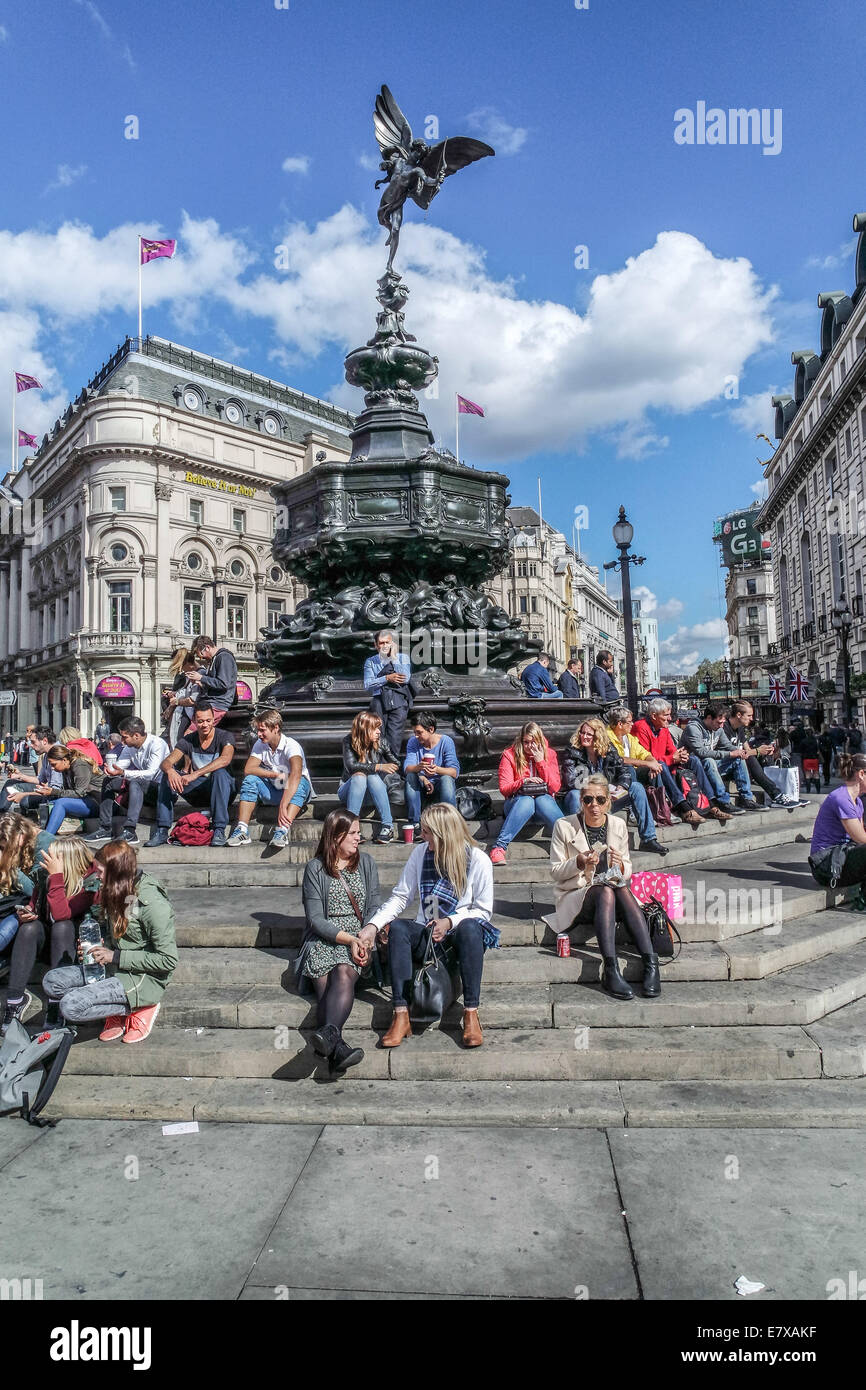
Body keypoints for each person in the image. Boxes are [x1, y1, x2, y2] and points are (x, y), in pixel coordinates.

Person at [369, 802, 496, 1049]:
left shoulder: (479, 859)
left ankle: (470, 1014)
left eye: (427, 832)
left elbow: (484, 910)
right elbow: (400, 896)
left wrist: (449, 922)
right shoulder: (420, 853)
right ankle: (401, 1014)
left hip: (458, 938)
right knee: (398, 928)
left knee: (471, 926)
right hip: (426, 932)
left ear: (443, 833)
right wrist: (374, 926)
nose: (422, 836)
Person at [40, 840, 177, 1042]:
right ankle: (115, 1005)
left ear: (116, 872)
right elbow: (125, 934)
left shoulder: (152, 902)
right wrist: (97, 946)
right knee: (52, 981)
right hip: (114, 966)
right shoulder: (117, 889)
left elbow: (168, 960)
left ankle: (140, 1006)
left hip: (142, 976)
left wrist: (115, 956)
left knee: (70, 1006)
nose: (97, 876)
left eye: (101, 872)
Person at [544, 773, 660, 1001]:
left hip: (614, 893)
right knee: (606, 890)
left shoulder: (617, 824)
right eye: (588, 800)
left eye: (599, 800)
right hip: (577, 895)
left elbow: (627, 869)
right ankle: (611, 968)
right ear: (581, 801)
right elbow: (555, 872)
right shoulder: (564, 826)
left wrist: (619, 865)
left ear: (609, 801)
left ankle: (651, 964)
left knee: (620, 887)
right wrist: (579, 862)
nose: (593, 806)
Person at [297, 809, 381, 1075]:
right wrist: (348, 938)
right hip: (324, 938)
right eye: (354, 833)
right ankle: (337, 1047)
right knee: (326, 978)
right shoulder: (315, 869)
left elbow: (374, 907)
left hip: (359, 939)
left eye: (359, 832)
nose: (359, 837)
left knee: (343, 972)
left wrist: (364, 938)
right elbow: (315, 919)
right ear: (336, 836)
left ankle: (330, 1040)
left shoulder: (366, 863)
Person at [1, 836, 93, 1033]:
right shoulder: (44, 876)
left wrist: (57, 878)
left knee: (64, 926)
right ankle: (15, 1001)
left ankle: (57, 1001)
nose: (45, 860)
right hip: (46, 947)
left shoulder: (88, 884)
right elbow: (34, 905)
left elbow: (61, 915)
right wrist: (26, 913)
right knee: (29, 927)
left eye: (52, 856)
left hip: (71, 953)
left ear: (67, 861)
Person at [561, 718, 673, 853]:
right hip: (585, 800)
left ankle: (648, 839)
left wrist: (622, 786)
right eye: (582, 733)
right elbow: (572, 781)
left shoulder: (608, 750)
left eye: (589, 734)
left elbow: (624, 772)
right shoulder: (573, 753)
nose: (584, 736)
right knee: (573, 795)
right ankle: (581, 842)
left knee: (636, 787)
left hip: (605, 800)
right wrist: (600, 789)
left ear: (598, 736)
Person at [146, 702, 235, 849]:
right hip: (199, 789)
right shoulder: (188, 740)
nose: (204, 724)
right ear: (194, 721)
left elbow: (225, 759)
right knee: (167, 776)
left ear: (214, 720)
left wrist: (195, 774)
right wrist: (171, 771)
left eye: (208, 720)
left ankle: (219, 829)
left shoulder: (225, 736)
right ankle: (162, 830)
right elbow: (166, 762)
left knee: (219, 772)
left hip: (223, 789)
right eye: (200, 721)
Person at [227, 708, 313, 849]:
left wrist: (283, 806)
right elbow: (249, 769)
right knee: (250, 780)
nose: (259, 734)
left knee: (300, 782)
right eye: (258, 730)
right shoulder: (260, 744)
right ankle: (242, 830)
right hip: (274, 788)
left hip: (294, 791)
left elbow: (296, 776)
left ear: (276, 728)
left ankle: (282, 831)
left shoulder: (292, 746)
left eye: (262, 730)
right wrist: (275, 775)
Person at [631, 699, 728, 823]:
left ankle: (711, 803)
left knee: (693, 760)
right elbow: (646, 758)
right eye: (665, 715)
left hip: (664, 763)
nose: (669, 718)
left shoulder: (663, 728)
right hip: (646, 768)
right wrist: (672, 758)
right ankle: (683, 807)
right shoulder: (641, 727)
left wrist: (681, 755)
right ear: (654, 716)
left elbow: (672, 750)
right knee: (660, 765)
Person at [84, 717, 170, 850]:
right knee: (109, 781)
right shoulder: (130, 747)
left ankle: (130, 830)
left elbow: (151, 773)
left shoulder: (157, 744)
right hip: (141, 787)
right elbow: (121, 765)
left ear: (136, 735)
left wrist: (124, 773)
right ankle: (105, 827)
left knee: (136, 782)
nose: (122, 742)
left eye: (125, 737)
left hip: (161, 790)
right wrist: (111, 770)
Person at [490, 722, 564, 865]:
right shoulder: (509, 755)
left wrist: (540, 762)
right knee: (527, 801)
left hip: (543, 806)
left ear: (540, 741)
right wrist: (523, 782)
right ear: (521, 740)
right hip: (517, 805)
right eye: (526, 742)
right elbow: (504, 788)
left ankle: (570, 841)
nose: (530, 746)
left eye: (533, 742)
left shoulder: (550, 754)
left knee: (542, 799)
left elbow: (555, 787)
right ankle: (499, 848)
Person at [723, 701, 804, 808]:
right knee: (747, 759)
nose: (751, 719)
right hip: (724, 765)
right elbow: (731, 754)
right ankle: (776, 794)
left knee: (753, 758)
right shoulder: (724, 728)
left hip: (738, 765)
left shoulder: (740, 728)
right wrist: (757, 751)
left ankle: (779, 794)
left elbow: (747, 750)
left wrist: (764, 751)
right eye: (749, 715)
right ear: (738, 715)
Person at [0, 811, 54, 969]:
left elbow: (35, 891)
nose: (6, 850)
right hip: (11, 904)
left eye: (7, 846)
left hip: (37, 912)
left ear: (22, 834)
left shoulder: (45, 843)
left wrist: (10, 866)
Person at [336, 711, 399, 845]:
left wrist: (390, 767)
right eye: (375, 728)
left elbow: (396, 763)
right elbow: (352, 767)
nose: (379, 732)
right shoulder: (348, 741)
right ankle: (352, 828)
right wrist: (378, 767)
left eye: (379, 728)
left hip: (373, 793)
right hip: (349, 791)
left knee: (372, 777)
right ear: (364, 729)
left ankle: (388, 826)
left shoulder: (381, 742)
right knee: (359, 776)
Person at [808, 754, 866, 891]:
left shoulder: (858, 802)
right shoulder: (841, 798)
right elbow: (860, 838)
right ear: (862, 774)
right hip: (826, 866)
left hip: (842, 858)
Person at [680, 706, 750, 816]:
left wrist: (739, 752)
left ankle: (746, 797)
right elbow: (701, 753)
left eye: (723, 722)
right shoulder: (693, 728)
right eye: (719, 722)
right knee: (709, 760)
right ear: (709, 718)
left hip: (710, 766)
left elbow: (726, 745)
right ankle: (722, 800)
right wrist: (730, 754)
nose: (721, 726)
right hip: (694, 767)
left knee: (738, 760)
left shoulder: (718, 729)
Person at [403, 711, 459, 839]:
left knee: (447, 779)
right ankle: (415, 823)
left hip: (440, 785)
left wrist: (437, 770)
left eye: (419, 732)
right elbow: (407, 768)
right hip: (421, 786)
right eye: (415, 732)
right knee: (411, 776)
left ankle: (450, 823)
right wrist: (420, 770)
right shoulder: (413, 742)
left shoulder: (446, 742)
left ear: (431, 729)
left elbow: (454, 771)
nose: (416, 736)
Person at [364, 630, 412, 757]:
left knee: (394, 737)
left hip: (398, 701)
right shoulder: (370, 661)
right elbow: (368, 685)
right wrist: (386, 678)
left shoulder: (403, 658)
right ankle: (380, 768)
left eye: (387, 642)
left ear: (392, 643)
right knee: (378, 736)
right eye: (381, 643)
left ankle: (391, 770)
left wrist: (394, 658)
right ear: (375, 645)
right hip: (379, 701)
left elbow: (405, 678)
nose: (385, 645)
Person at [42, 743, 104, 835]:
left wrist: (53, 792)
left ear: (64, 760)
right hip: (87, 799)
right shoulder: (65, 768)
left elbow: (79, 793)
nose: (52, 768)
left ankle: (46, 837)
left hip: (99, 801)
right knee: (51, 803)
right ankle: (43, 830)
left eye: (54, 764)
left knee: (61, 803)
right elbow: (69, 792)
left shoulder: (79, 765)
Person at [0, 725, 60, 814]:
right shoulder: (47, 754)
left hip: (55, 794)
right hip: (46, 789)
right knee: (11, 782)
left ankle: (2, 815)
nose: (31, 746)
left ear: (44, 741)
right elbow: (40, 780)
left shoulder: (57, 754)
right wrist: (20, 776)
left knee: (21, 795)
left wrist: (24, 794)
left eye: (33, 742)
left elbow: (55, 790)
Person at [187, 636, 238, 725]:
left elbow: (223, 684)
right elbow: (216, 683)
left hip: (218, 704)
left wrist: (201, 678)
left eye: (201, 654)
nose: (201, 658)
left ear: (207, 647)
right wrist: (201, 684)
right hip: (211, 703)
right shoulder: (214, 659)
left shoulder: (224, 657)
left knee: (191, 733)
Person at [163, 649, 203, 747]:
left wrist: (176, 701)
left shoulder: (198, 674)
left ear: (189, 664)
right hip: (187, 714)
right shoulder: (190, 675)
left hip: (192, 716)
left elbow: (193, 699)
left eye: (183, 667)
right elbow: (185, 692)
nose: (182, 671)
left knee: (181, 741)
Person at [799, 725, 821, 795]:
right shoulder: (816, 741)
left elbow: (801, 750)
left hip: (806, 759)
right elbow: (818, 749)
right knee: (816, 774)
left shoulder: (803, 741)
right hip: (814, 759)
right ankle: (818, 791)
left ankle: (808, 791)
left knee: (807, 775)